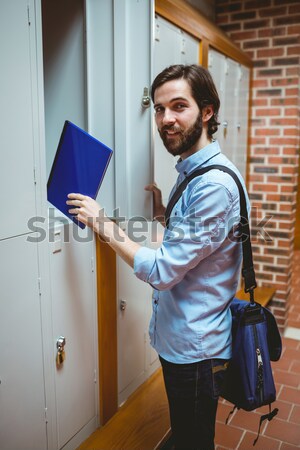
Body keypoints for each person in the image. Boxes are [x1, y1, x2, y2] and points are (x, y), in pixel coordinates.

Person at [67, 64, 249, 450]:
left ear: (207, 111)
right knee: (188, 434)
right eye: (160, 109)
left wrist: (103, 224)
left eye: (179, 106)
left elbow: (165, 270)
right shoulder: (193, 169)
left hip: (196, 351)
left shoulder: (213, 185)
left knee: (193, 441)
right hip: (185, 341)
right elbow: (200, 242)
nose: (166, 119)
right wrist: (166, 212)